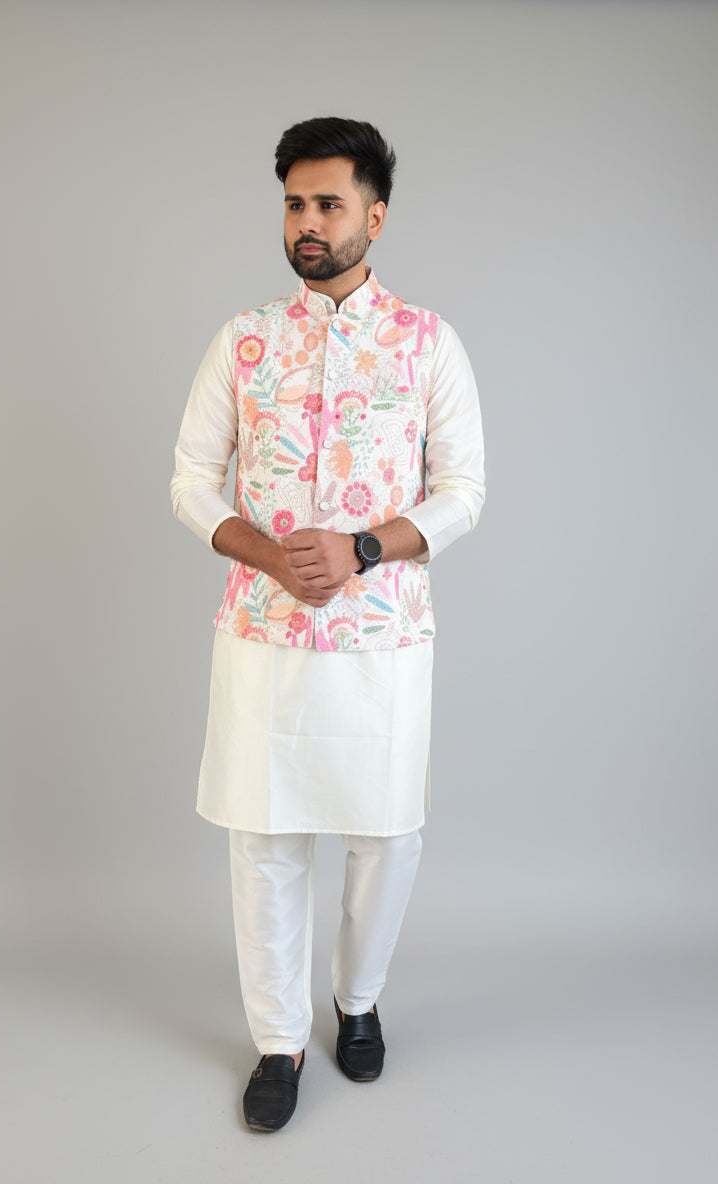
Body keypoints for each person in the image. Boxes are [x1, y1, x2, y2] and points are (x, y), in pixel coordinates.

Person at [170, 117, 485, 1132]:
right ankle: (277, 1038)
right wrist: (270, 553)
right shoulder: (244, 339)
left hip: (383, 634)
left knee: (386, 833)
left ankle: (356, 1002)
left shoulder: (429, 342)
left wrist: (361, 548)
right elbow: (186, 480)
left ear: (375, 216)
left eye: (329, 204)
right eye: (296, 204)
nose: (308, 223)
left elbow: (466, 491)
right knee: (263, 837)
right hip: (262, 631)